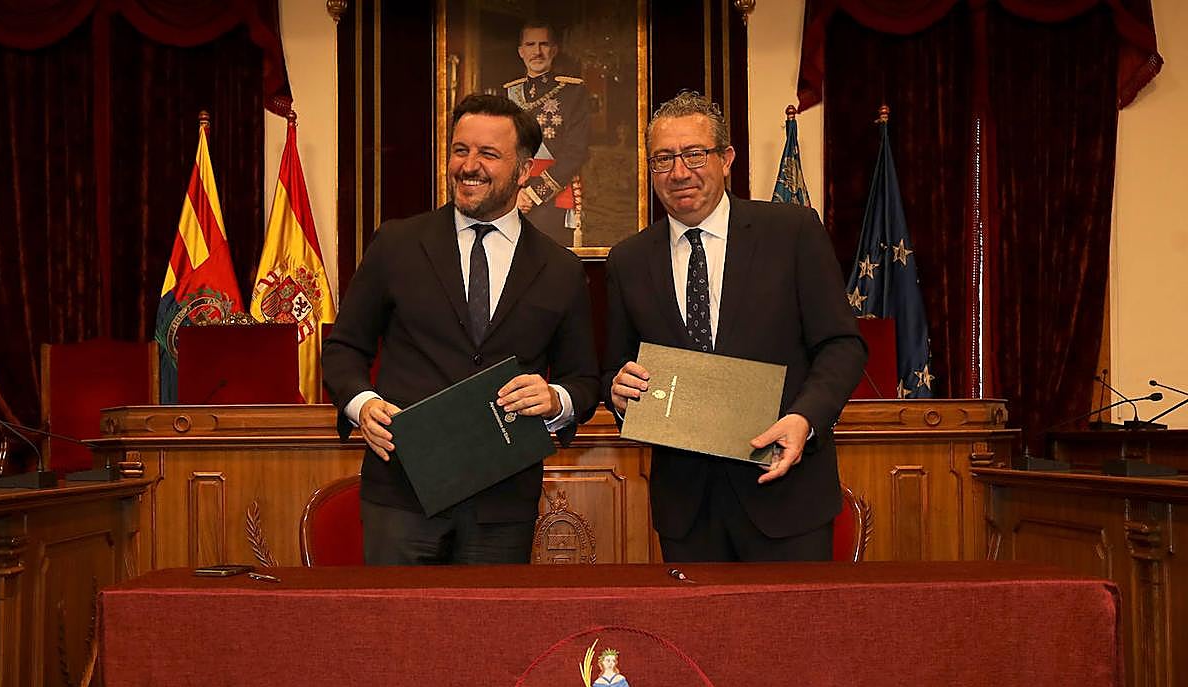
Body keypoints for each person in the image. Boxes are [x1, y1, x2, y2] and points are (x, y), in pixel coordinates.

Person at [323, 93, 598, 565]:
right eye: (460, 150)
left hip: (504, 502)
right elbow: (343, 348)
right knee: (397, 633)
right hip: (402, 491)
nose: (469, 166)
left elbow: (585, 380)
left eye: (488, 154)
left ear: (524, 168)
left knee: (489, 638)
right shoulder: (397, 244)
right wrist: (361, 405)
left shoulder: (561, 269)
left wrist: (556, 400)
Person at [604, 91, 867, 563]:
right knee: (693, 639)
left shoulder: (793, 232)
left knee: (792, 637)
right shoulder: (628, 260)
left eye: (694, 154)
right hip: (688, 511)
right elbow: (614, 369)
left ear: (726, 159)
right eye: (663, 158)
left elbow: (842, 345)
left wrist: (805, 419)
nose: (679, 172)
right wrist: (618, 392)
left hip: (787, 498)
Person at [504, 22, 590, 248]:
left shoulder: (573, 93)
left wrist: (532, 194)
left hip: (553, 198)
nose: (537, 51)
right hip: (513, 196)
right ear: (521, 51)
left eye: (544, 44)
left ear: (554, 49)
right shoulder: (509, 94)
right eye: (530, 44)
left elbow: (576, 153)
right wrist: (515, 194)